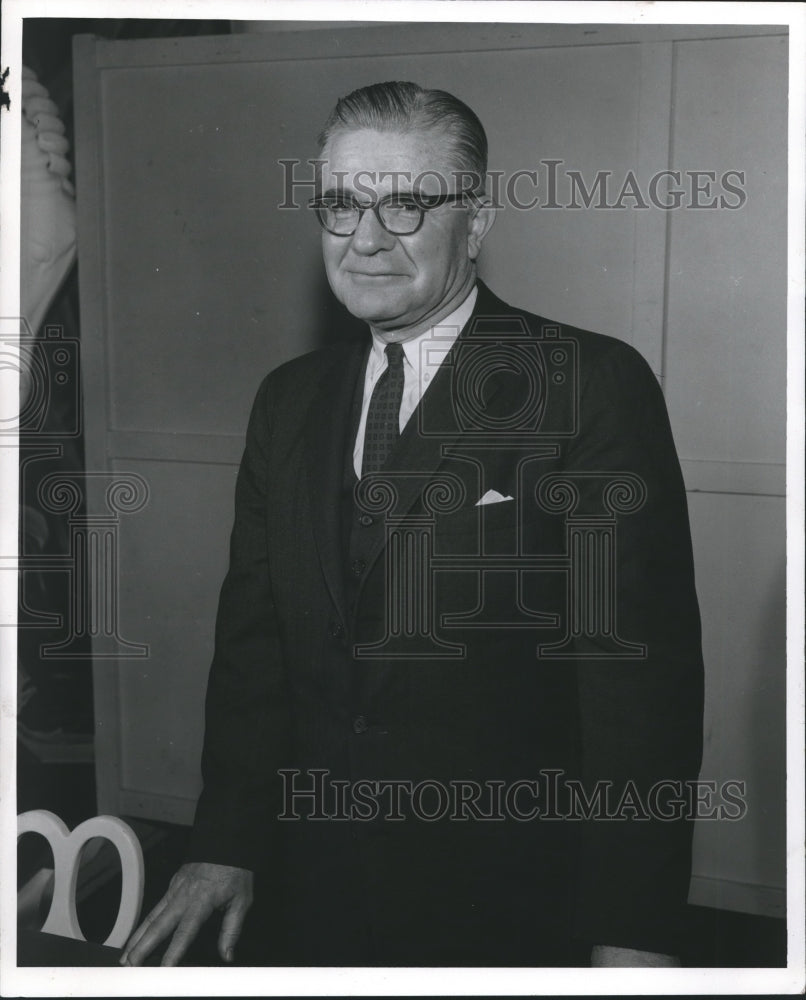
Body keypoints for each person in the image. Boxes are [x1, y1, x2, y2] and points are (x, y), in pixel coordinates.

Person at [122, 81, 703, 968]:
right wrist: (225, 842)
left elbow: (637, 693)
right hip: (308, 893)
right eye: (341, 204)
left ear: (475, 223)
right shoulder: (288, 402)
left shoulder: (586, 384)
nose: (364, 238)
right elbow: (254, 650)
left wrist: (631, 931)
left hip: (507, 906)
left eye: (403, 203)